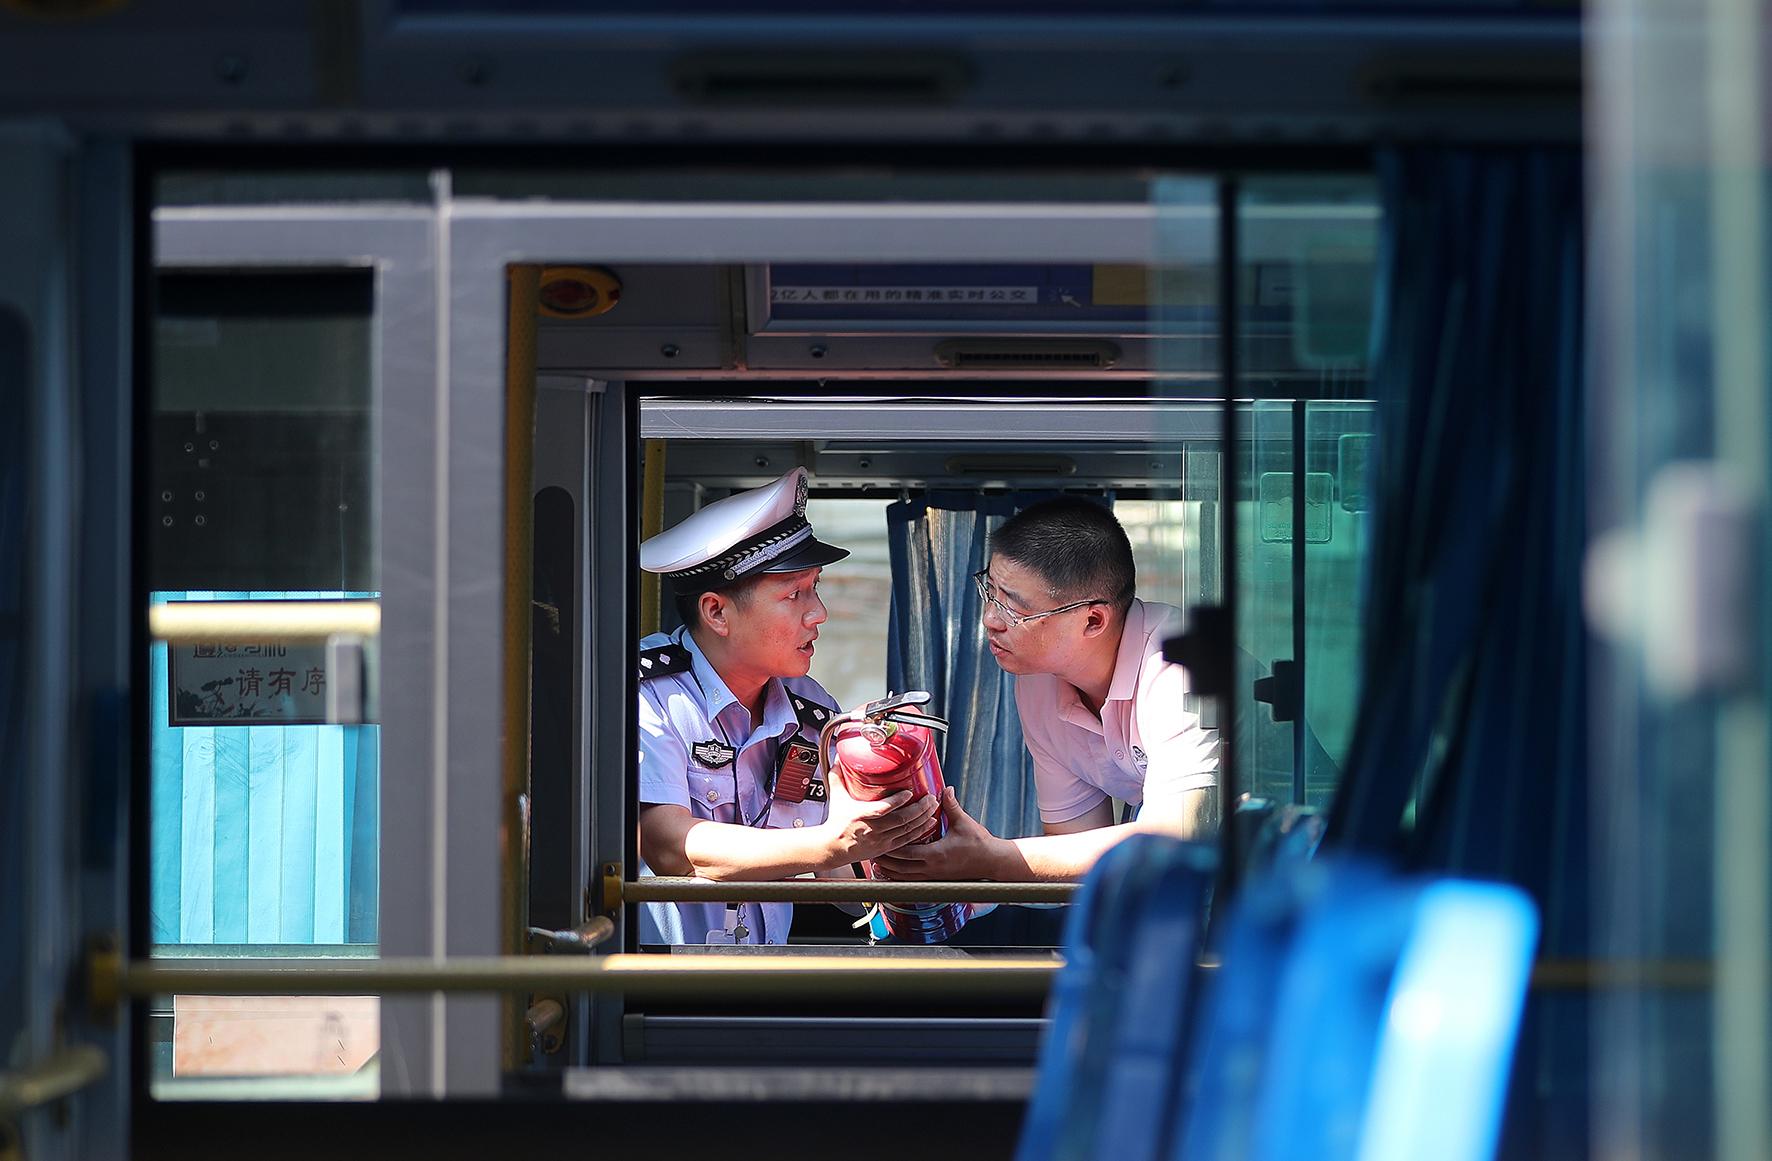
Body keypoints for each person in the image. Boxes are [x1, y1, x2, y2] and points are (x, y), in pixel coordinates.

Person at [636, 466, 938, 945]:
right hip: (655, 976)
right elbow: (671, 847)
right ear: (716, 612)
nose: (819, 613)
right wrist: (832, 844)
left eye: (815, 587)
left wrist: (907, 835)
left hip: (766, 971)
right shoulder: (648, 695)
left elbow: (839, 876)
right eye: (794, 594)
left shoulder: (812, 710)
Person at [874, 496, 1217, 885]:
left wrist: (989, 859)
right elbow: (1075, 852)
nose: (990, 619)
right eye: (990, 592)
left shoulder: (1179, 668)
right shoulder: (1038, 681)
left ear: (1093, 620)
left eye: (1013, 609)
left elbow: (1172, 839)